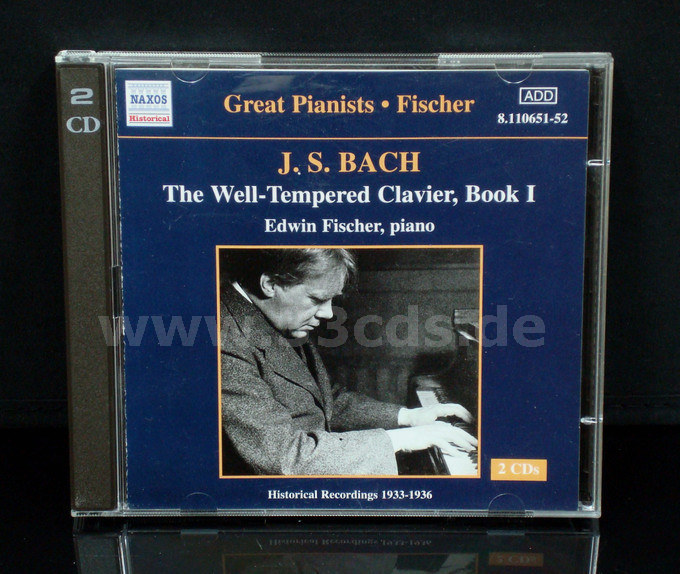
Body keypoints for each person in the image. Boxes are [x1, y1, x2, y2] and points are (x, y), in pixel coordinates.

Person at [220, 248, 477, 475]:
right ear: (270, 284)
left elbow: (322, 399)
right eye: (317, 299)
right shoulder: (224, 339)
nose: (328, 313)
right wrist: (400, 440)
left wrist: (408, 417)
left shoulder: (274, 317)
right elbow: (284, 458)